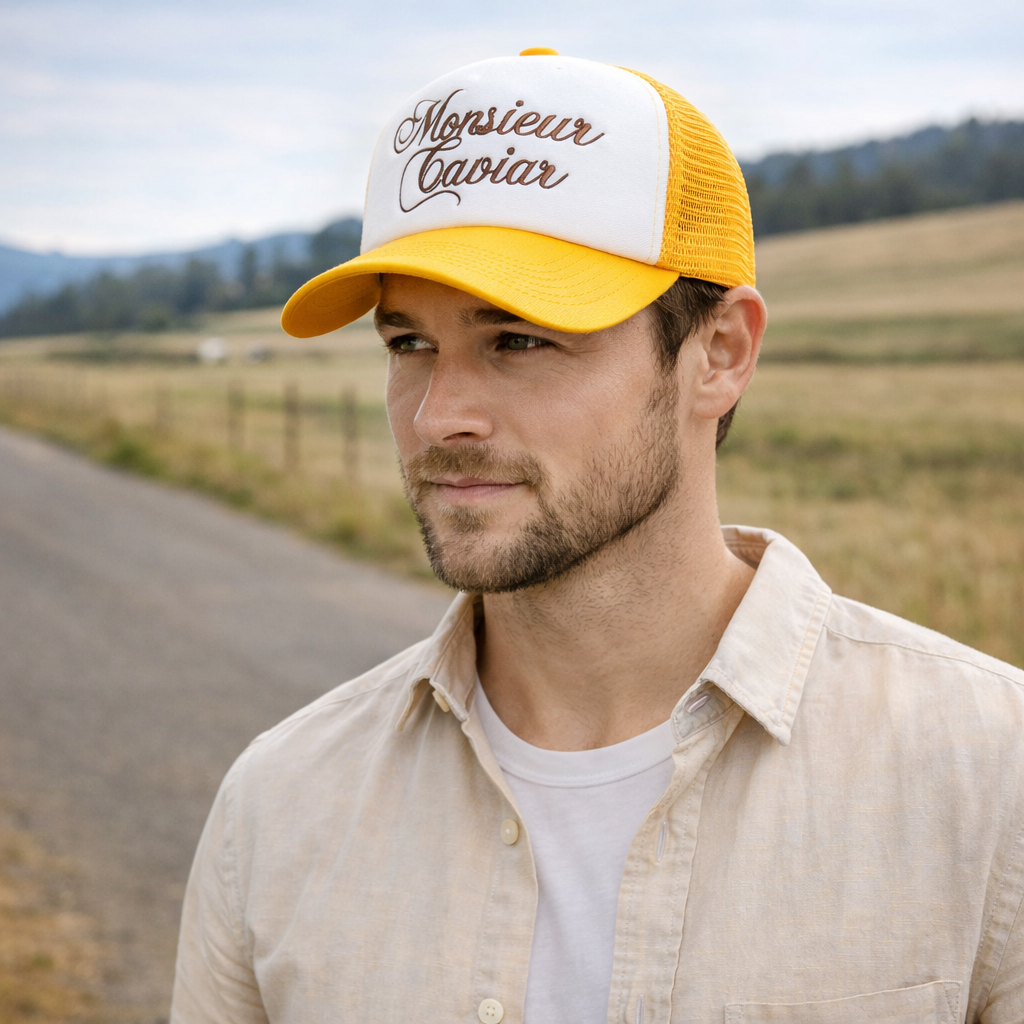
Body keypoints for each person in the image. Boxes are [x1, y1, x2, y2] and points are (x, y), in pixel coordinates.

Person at [171, 50, 1024, 1024]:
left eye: (519, 339)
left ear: (719, 354)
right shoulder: (280, 805)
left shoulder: (988, 775)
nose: (437, 414)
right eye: (409, 343)